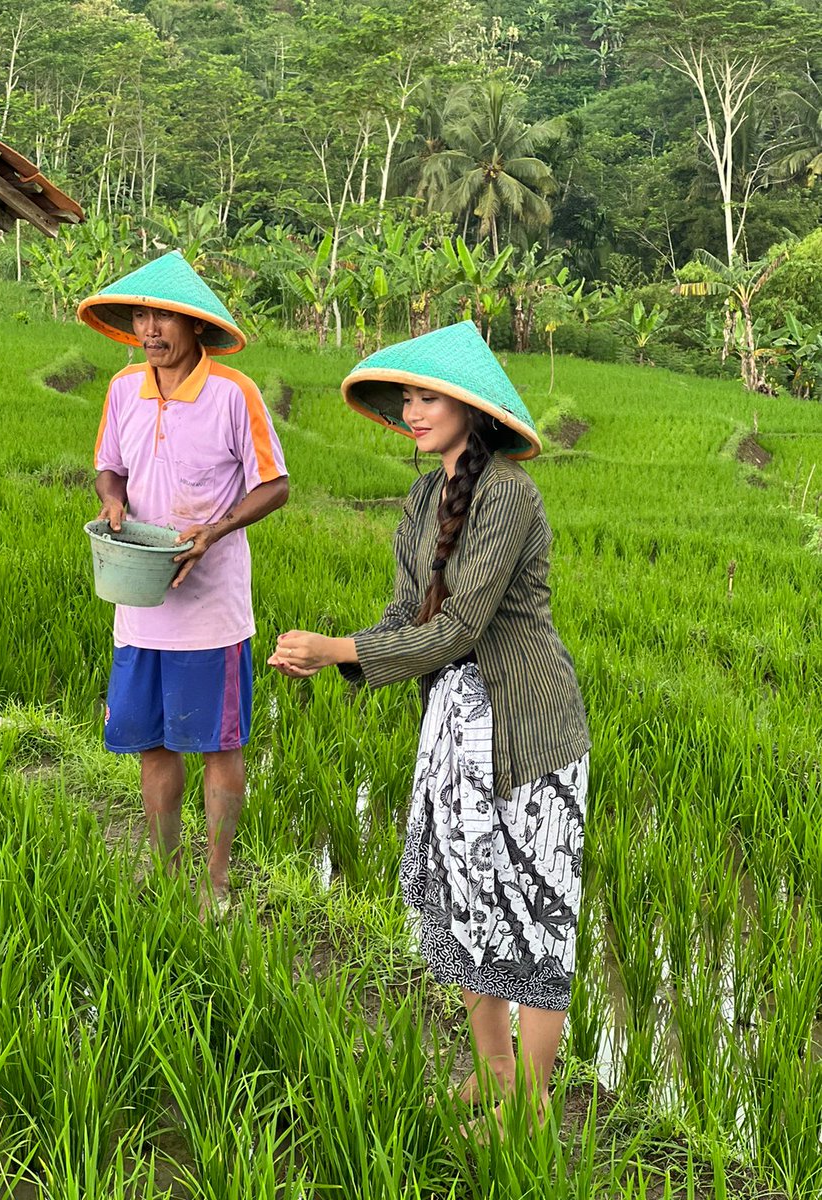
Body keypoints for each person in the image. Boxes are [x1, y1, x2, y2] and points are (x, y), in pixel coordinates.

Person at [269, 320, 589, 1127]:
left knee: (535, 914)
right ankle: (492, 1075)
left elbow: (459, 628)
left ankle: (536, 1104)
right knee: (468, 899)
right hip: (453, 732)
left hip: (529, 731)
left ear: (470, 409)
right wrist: (337, 655)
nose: (411, 410)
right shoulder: (421, 496)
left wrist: (343, 648)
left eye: (428, 396)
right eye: (406, 397)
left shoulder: (510, 493)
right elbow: (403, 614)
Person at [78, 251, 288, 918]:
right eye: (142, 315)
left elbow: (275, 484)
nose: (151, 328)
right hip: (140, 604)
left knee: (220, 745)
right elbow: (110, 468)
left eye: (164, 315)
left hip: (212, 610)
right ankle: (168, 874)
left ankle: (217, 882)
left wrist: (215, 530)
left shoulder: (234, 393)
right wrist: (113, 504)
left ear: (196, 326)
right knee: (151, 743)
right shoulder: (121, 390)